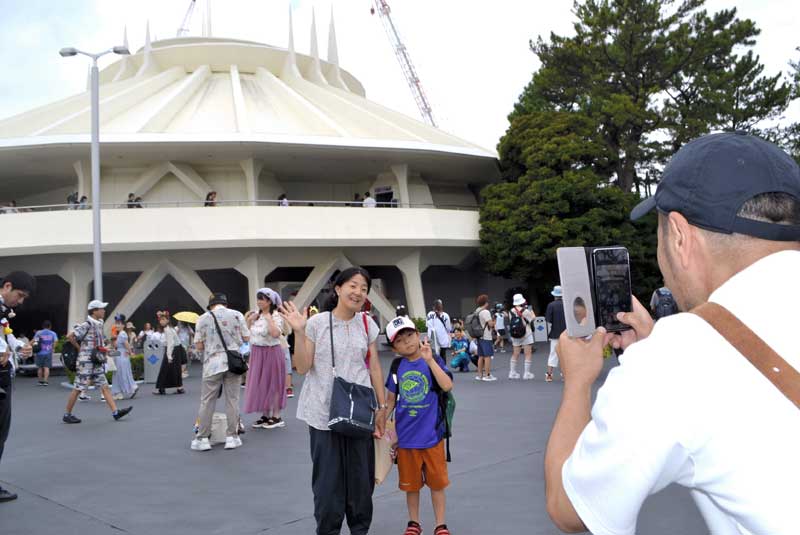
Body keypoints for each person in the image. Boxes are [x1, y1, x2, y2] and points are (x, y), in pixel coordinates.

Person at [545, 132, 800, 534]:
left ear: (679, 236)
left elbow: (569, 507)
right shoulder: (679, 356)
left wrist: (577, 382)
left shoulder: (675, 360)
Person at [278, 267, 388, 535]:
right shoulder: (317, 323)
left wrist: (383, 407)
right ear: (338, 289)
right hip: (322, 413)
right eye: (353, 285)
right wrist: (299, 333)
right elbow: (303, 368)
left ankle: (359, 529)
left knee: (361, 482)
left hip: (360, 412)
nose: (358, 292)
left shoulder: (367, 323)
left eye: (364, 288)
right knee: (328, 484)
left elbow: (374, 367)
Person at [385, 316, 454, 535]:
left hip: (432, 435)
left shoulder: (431, 359)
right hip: (406, 439)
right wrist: (382, 426)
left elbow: (447, 385)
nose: (407, 342)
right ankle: (414, 522)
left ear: (418, 334)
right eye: (400, 340)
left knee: (437, 484)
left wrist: (431, 361)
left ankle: (440, 524)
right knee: (411, 486)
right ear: (394, 347)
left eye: (410, 335)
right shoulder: (397, 367)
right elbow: (390, 401)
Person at [191, 293, 249, 452]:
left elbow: (199, 346)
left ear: (211, 305)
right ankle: (232, 437)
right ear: (225, 304)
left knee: (207, 401)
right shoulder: (237, 315)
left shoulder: (202, 318)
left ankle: (202, 439)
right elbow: (246, 338)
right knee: (232, 400)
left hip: (212, 364)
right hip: (233, 363)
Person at [62, 300, 132, 424]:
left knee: (104, 386)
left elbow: (98, 341)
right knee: (79, 388)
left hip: (96, 360)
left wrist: (105, 348)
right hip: (86, 362)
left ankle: (116, 413)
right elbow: (70, 336)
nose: (104, 310)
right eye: (101, 309)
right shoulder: (87, 324)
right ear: (94, 311)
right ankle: (67, 414)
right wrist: (80, 349)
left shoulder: (99, 323)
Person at [0, 272, 35, 503]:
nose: (20, 302)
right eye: (19, 295)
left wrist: (19, 345)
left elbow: (5, 335)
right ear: (8, 286)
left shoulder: (2, 312)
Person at [244, 288, 287, 429]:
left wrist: (269, 319)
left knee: (273, 383)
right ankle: (265, 414)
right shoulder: (256, 315)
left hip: (271, 352)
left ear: (270, 301)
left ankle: (276, 416)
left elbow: (276, 334)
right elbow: (247, 336)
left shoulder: (275, 316)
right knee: (260, 383)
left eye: (262, 299)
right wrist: (250, 321)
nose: (259, 302)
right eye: (258, 299)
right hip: (257, 352)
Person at [153, 311, 184, 395]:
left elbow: (170, 343)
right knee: (174, 370)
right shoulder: (170, 328)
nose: (161, 321)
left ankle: (162, 388)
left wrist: (169, 356)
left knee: (165, 369)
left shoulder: (168, 329)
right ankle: (179, 388)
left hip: (172, 350)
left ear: (167, 320)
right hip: (176, 350)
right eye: (160, 320)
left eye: (163, 319)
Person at [508, 293, 536, 380]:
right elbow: (533, 318)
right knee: (528, 354)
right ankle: (526, 373)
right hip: (526, 334)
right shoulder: (526, 311)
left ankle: (512, 372)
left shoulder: (511, 311)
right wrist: (531, 310)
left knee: (515, 353)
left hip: (515, 334)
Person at [111, 319, 138, 400]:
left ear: (123, 325)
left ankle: (132, 388)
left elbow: (127, 344)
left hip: (122, 357)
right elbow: (116, 346)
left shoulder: (122, 334)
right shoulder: (120, 334)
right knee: (119, 374)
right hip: (120, 355)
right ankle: (119, 392)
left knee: (122, 373)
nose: (117, 325)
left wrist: (130, 352)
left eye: (119, 324)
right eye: (116, 324)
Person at [544, 286, 566, 383]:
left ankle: (549, 375)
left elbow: (548, 321)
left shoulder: (551, 305)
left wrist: (548, 334)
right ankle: (565, 375)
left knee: (553, 354)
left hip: (555, 333)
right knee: (565, 355)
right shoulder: (567, 304)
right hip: (567, 334)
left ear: (554, 295)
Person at [474, 294, 496, 381]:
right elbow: (490, 324)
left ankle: (479, 375)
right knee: (487, 356)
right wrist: (495, 320)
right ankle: (487, 375)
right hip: (486, 336)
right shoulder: (485, 312)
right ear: (485, 302)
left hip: (479, 336)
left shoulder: (477, 310)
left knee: (481, 356)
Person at [32, 320, 57, 386]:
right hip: (48, 352)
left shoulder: (39, 333)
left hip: (39, 352)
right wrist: (53, 348)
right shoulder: (53, 333)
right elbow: (56, 341)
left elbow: (34, 341)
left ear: (43, 326)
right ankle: (45, 381)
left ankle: (40, 381)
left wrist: (28, 346)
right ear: (50, 326)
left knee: (40, 368)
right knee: (46, 367)